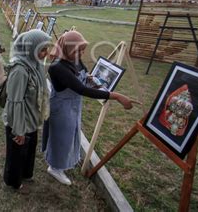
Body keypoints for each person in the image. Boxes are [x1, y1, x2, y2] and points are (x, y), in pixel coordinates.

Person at [42, 31, 136, 185]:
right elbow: (82, 89)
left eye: (83, 49)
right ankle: (55, 168)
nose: (81, 53)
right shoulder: (57, 67)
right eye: (77, 50)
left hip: (72, 105)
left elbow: (84, 76)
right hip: (61, 108)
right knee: (61, 138)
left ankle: (61, 163)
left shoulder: (75, 61)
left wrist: (91, 78)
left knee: (69, 136)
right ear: (66, 49)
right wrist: (117, 96)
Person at [2, 30, 52, 191]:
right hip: (20, 122)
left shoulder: (35, 64)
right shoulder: (20, 70)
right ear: (31, 48)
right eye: (42, 49)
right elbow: (15, 103)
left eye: (47, 49)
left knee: (29, 151)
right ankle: (14, 182)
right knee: (16, 154)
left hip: (31, 120)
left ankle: (26, 174)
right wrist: (19, 131)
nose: (46, 53)